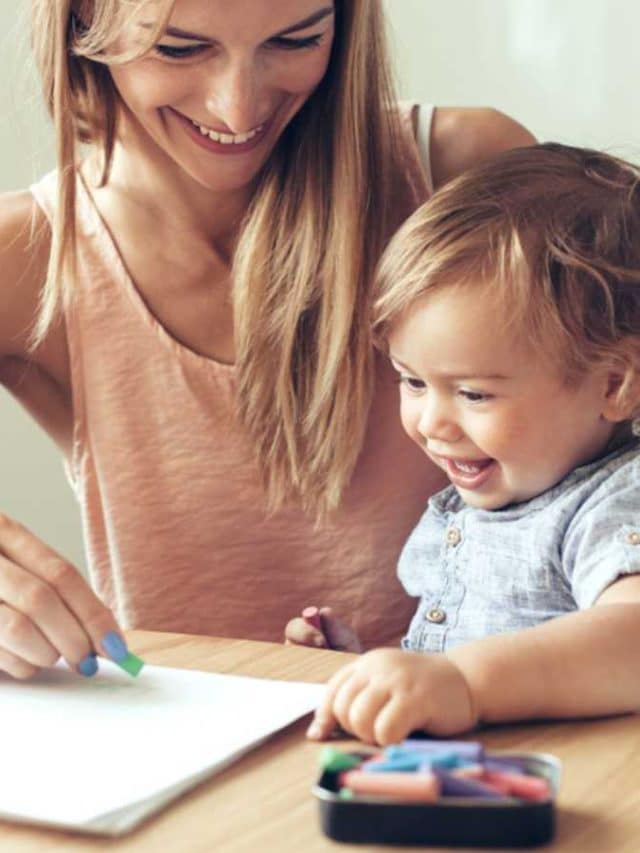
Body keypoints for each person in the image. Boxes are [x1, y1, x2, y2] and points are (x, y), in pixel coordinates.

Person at [0, 0, 532, 680]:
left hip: (495, 753)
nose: (238, 108)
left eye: (295, 39)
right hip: (204, 777)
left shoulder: (463, 174)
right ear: (81, 27)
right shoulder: (30, 257)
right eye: (179, 49)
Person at [287, 143, 640, 746]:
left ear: (614, 384)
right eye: (413, 381)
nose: (431, 423)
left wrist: (463, 680)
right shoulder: (479, 505)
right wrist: (377, 670)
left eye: (473, 394)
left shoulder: (614, 502)